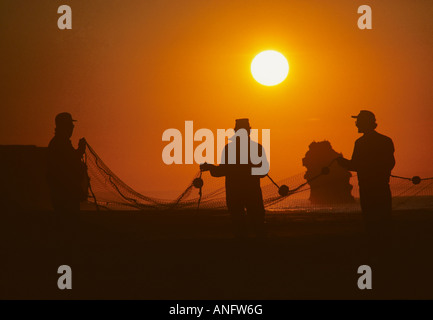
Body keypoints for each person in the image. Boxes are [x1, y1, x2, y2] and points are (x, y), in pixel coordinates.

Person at [200, 119, 269, 238]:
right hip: (252, 192)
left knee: (238, 223)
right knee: (258, 223)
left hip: (234, 192)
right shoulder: (257, 148)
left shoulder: (229, 149)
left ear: (235, 131)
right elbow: (263, 172)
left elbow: (221, 171)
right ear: (249, 131)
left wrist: (210, 167)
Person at [337, 110, 395, 238]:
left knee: (370, 221)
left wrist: (340, 162)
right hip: (383, 187)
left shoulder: (360, 143)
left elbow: (355, 165)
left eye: (358, 122)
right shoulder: (386, 140)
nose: (356, 124)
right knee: (385, 220)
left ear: (364, 123)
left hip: (367, 189)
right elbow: (390, 163)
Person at [47, 112, 87, 214]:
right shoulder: (60, 143)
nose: (73, 127)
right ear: (64, 126)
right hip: (65, 196)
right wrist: (81, 150)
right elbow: (70, 163)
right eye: (70, 124)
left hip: (64, 195)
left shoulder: (60, 142)